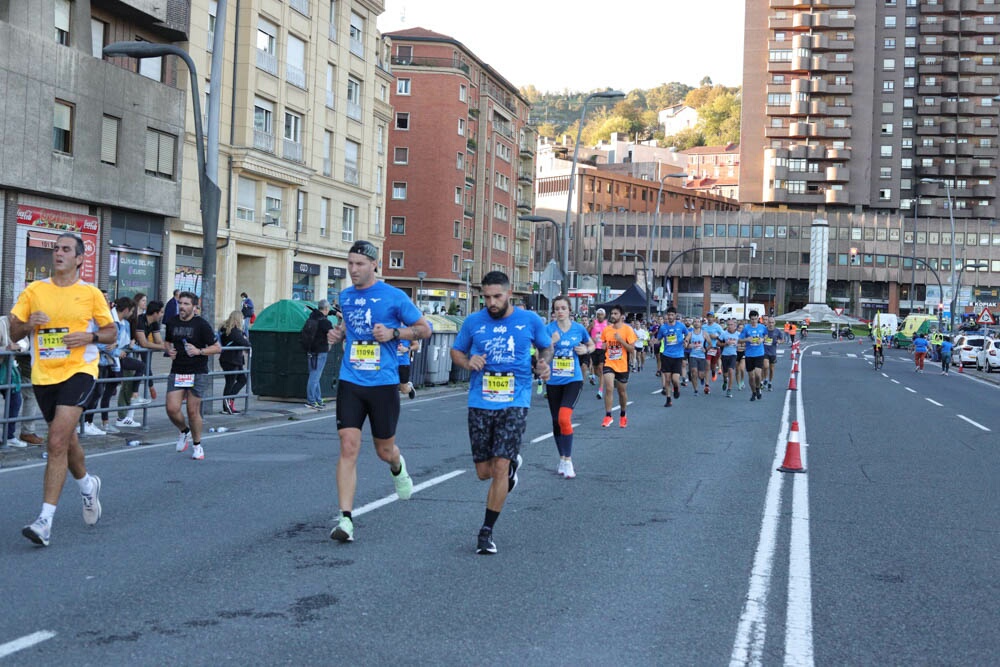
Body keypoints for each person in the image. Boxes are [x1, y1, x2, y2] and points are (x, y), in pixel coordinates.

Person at [11, 233, 116, 547]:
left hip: (80, 370)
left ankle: (44, 521)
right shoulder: (35, 290)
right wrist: (29, 323)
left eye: (66, 249)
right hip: (44, 375)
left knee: (55, 440)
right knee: (65, 440)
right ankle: (87, 485)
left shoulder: (91, 293)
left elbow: (110, 332)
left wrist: (89, 338)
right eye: (56, 248)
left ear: (80, 259)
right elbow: (13, 328)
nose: (58, 253)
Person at [328, 241, 431, 544]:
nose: (353, 270)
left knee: (384, 450)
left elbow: (424, 329)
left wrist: (395, 333)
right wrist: (338, 333)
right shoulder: (345, 296)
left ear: (374, 265)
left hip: (383, 383)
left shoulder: (394, 297)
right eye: (350, 263)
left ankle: (398, 467)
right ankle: (345, 519)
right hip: (351, 379)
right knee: (348, 445)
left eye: (359, 264)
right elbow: (348, 326)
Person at [451, 271, 552, 554]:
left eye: (497, 296)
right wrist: (468, 360)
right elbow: (456, 352)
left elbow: (546, 347)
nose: (491, 302)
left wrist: (544, 364)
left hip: (515, 400)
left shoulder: (529, 320)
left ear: (509, 294)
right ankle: (511, 467)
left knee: (499, 468)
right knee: (484, 472)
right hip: (480, 401)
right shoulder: (473, 322)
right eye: (486, 297)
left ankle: (486, 531)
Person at [164, 292, 221, 460]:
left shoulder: (201, 325)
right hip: (178, 370)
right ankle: (184, 431)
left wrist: (199, 351)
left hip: (197, 372)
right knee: (172, 409)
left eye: (186, 304)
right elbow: (167, 341)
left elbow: (217, 348)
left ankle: (197, 445)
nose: (182, 306)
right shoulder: (172, 322)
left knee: (192, 411)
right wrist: (169, 349)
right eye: (181, 303)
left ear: (195, 307)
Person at [544, 295, 593, 479]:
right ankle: (562, 458)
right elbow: (541, 354)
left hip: (573, 379)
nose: (560, 311)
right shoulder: (548, 330)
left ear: (569, 310)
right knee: (556, 421)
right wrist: (551, 343)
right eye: (557, 308)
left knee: (564, 417)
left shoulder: (579, 329)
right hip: (553, 380)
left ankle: (569, 460)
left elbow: (591, 344)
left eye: (563, 308)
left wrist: (586, 350)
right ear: (554, 311)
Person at [600, 305, 637, 427]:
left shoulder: (628, 330)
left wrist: (621, 340)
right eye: (612, 313)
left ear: (622, 316)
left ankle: (623, 414)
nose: (613, 316)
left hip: (622, 365)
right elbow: (604, 344)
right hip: (609, 363)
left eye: (615, 314)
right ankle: (608, 416)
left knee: (622, 392)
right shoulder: (607, 330)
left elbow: (631, 349)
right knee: (609, 387)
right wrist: (603, 346)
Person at [655, 306, 689, 407]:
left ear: (675, 316)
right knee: (667, 379)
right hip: (666, 355)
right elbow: (658, 339)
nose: (670, 316)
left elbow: (688, 334)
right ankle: (668, 399)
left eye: (672, 315)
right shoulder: (663, 327)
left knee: (675, 379)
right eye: (669, 315)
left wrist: (686, 341)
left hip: (678, 356)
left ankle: (677, 388)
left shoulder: (681, 326)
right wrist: (653, 341)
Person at [0, 316, 26, 448]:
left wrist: (18, 347)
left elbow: (25, 344)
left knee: (15, 401)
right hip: (4, 366)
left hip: (9, 368)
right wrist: (7, 348)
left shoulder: (21, 326)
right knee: (14, 400)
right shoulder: (1, 323)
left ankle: (9, 435)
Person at [304, 300, 335, 410]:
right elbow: (333, 335)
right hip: (321, 351)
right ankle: (311, 401)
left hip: (310, 350)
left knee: (314, 375)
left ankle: (318, 399)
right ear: (326, 309)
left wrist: (334, 313)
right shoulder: (325, 322)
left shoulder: (312, 317)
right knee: (315, 377)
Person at [218, 310, 249, 414]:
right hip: (230, 360)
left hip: (235, 359)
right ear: (238, 319)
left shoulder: (229, 330)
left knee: (242, 380)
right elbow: (245, 342)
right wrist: (245, 339)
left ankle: (230, 402)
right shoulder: (233, 331)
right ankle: (227, 406)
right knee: (230, 383)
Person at [740, 311, 768, 402]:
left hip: (759, 353)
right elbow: (739, 340)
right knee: (751, 377)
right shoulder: (746, 328)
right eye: (752, 319)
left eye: (755, 319)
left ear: (758, 318)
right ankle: (754, 392)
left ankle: (758, 387)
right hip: (749, 354)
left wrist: (762, 339)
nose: (754, 321)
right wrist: (747, 339)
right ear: (750, 319)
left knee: (757, 374)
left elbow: (766, 335)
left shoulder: (762, 327)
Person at [686, 317, 711, 395]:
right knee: (694, 372)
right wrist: (688, 345)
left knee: (701, 375)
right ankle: (695, 390)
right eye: (695, 322)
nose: (696, 323)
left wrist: (706, 349)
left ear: (700, 324)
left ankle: (702, 378)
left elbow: (710, 344)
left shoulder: (704, 333)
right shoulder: (690, 333)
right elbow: (686, 342)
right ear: (693, 324)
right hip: (693, 356)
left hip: (702, 356)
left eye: (698, 322)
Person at [718, 319, 740, 398]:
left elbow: (742, 343)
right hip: (725, 355)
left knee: (731, 371)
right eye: (728, 325)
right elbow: (718, 343)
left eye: (731, 325)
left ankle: (729, 390)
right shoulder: (724, 334)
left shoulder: (738, 334)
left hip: (733, 355)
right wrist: (725, 344)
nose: (729, 326)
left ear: (735, 326)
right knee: (725, 374)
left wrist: (738, 345)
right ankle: (724, 381)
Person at [762, 316, 785, 391]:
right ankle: (765, 379)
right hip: (765, 351)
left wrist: (780, 341)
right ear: (767, 323)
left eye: (772, 322)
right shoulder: (764, 330)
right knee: (765, 366)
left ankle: (770, 382)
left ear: (774, 323)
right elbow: (759, 338)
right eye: (769, 322)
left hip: (773, 352)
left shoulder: (777, 331)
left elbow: (782, 339)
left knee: (771, 369)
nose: (771, 324)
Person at [589, 308, 608, 397]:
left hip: (602, 349)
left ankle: (600, 390)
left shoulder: (607, 324)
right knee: (596, 369)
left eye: (601, 314)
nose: (600, 316)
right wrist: (591, 339)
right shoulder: (593, 323)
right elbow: (585, 332)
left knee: (601, 367)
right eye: (598, 314)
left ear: (604, 315)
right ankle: (603, 378)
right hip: (594, 348)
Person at [702, 312, 724, 383]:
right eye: (708, 317)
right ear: (707, 318)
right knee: (707, 365)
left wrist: (716, 337)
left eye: (711, 317)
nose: (710, 318)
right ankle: (707, 384)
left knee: (713, 365)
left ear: (714, 318)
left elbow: (723, 335)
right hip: (707, 348)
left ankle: (714, 372)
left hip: (715, 348)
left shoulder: (717, 326)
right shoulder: (703, 326)